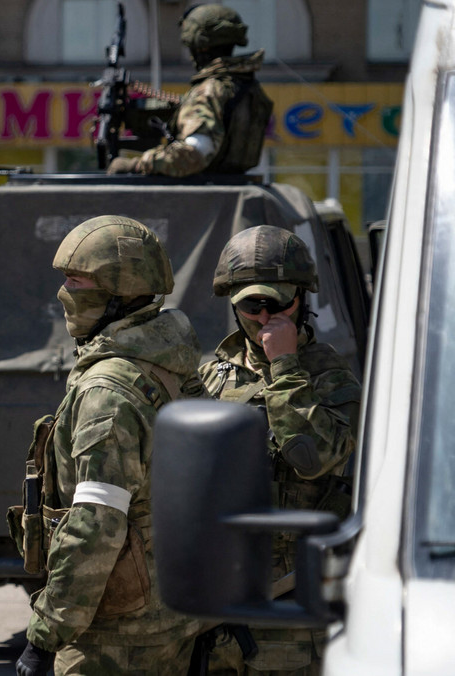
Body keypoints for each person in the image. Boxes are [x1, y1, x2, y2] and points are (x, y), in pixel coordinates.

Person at [14, 216, 202, 676]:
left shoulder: (108, 394)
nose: (64, 292)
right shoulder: (168, 363)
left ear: (117, 292)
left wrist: (46, 635)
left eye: (76, 281)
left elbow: (96, 525)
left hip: (119, 634)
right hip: (169, 608)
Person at [195, 225, 360, 674]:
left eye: (278, 302)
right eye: (253, 305)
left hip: (289, 606)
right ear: (233, 304)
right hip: (217, 598)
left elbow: (313, 459)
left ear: (302, 299)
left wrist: (284, 365)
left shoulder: (330, 376)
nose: (266, 317)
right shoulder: (212, 377)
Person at [107, 4, 272, 177]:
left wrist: (138, 164)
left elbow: (195, 152)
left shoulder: (210, 90)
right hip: (232, 187)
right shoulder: (246, 86)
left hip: (203, 195)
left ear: (201, 47)